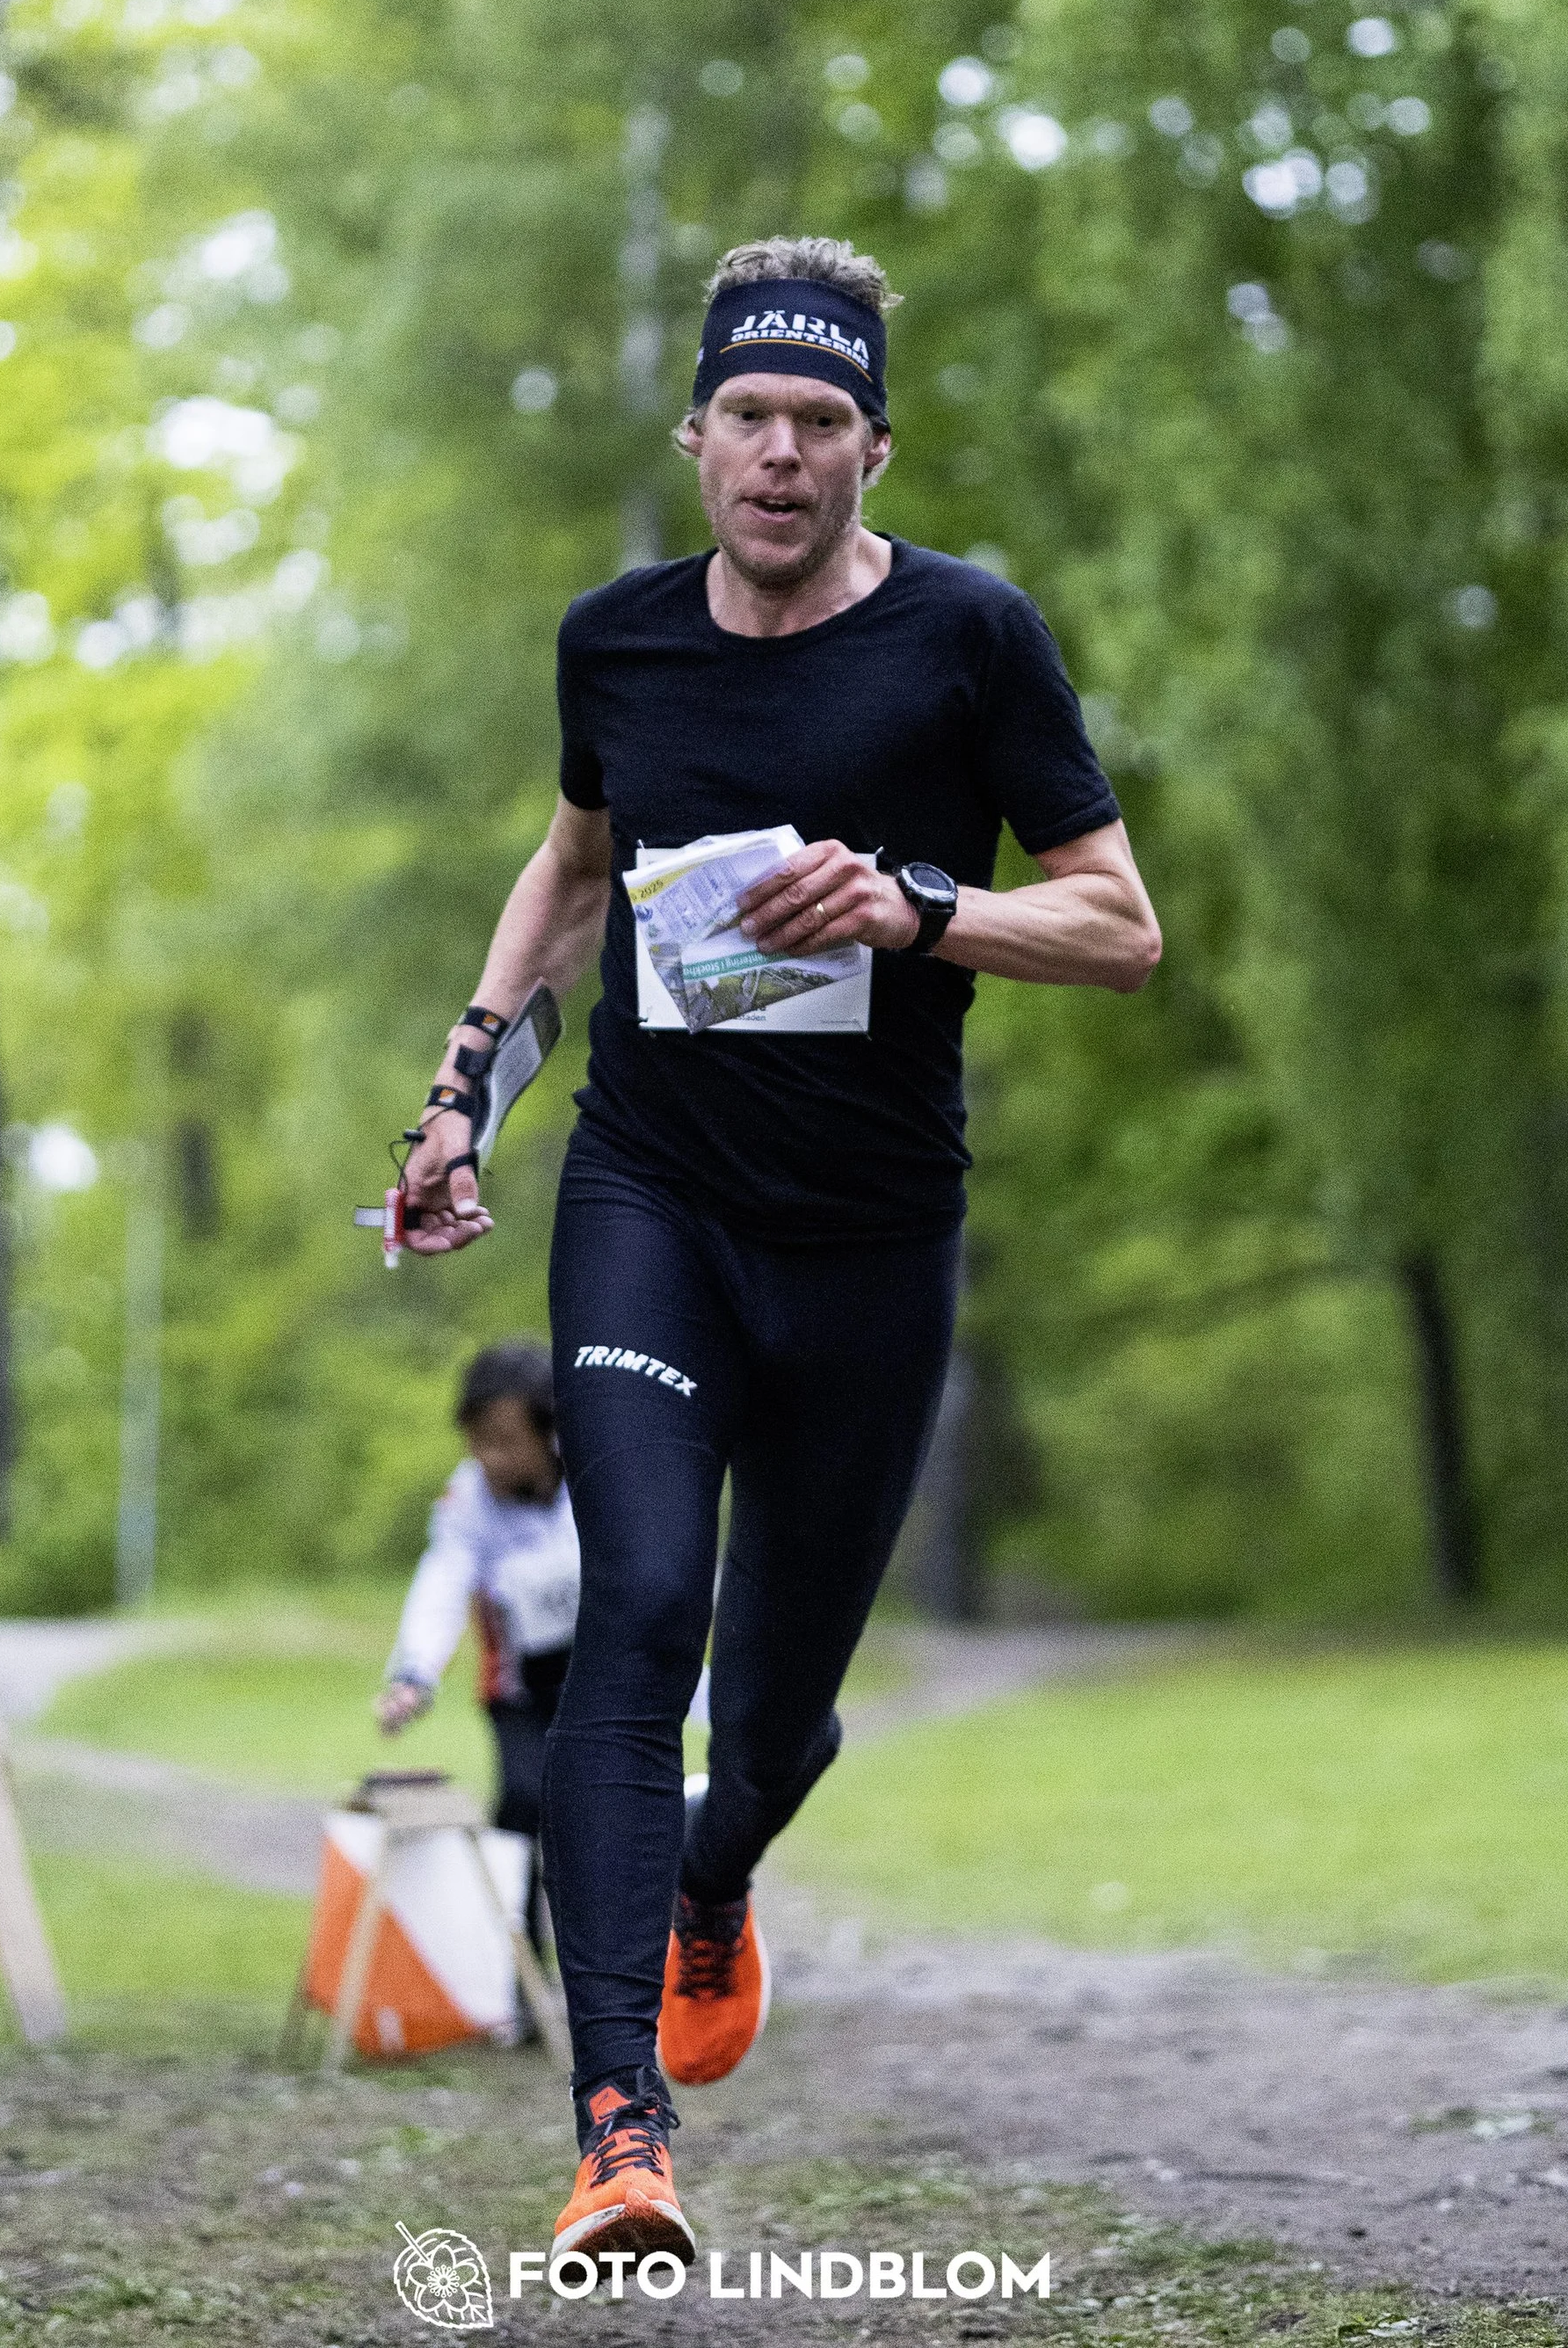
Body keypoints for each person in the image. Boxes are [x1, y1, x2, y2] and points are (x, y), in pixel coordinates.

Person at [395, 236, 1161, 2268]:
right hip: (650, 1197)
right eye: (749, 412)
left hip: (872, 1239)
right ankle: (617, 2135)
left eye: (823, 419)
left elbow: (1120, 924)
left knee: (778, 1709)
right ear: (697, 435)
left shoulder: (969, 640)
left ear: (871, 450)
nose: (781, 451)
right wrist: (463, 1089)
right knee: (637, 1610)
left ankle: (717, 1870)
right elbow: (573, 866)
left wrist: (919, 907)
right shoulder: (618, 645)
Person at [377, 1341, 579, 1907]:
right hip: (516, 1686)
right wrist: (414, 1674)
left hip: (596, 1676)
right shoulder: (468, 1497)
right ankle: (513, 1947)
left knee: (595, 1809)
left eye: (506, 1441)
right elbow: (442, 1581)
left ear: (551, 1434)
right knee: (522, 1799)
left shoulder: (599, 1478)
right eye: (477, 1441)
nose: (489, 1458)